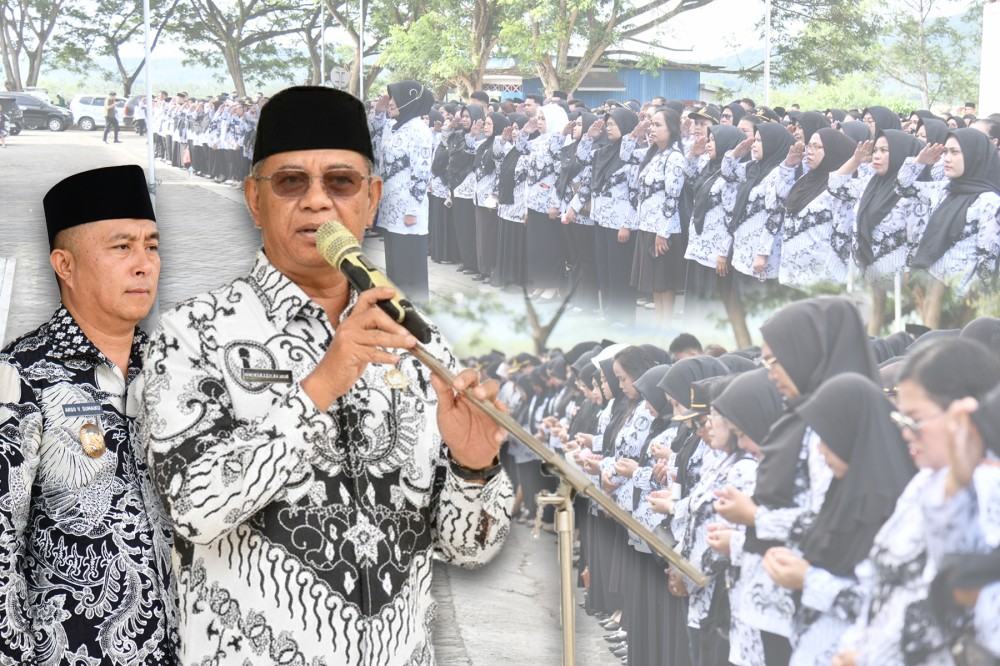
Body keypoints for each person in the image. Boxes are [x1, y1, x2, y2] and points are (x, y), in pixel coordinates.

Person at [139, 87, 514, 665]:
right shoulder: (193, 333)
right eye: (291, 182)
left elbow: (469, 548)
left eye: (341, 182)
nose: (318, 202)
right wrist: (322, 384)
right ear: (254, 199)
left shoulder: (416, 341)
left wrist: (474, 466)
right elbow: (192, 509)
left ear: (372, 199)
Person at [0, 165, 177, 663]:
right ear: (65, 264)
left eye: (152, 246)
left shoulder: (175, 371)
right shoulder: (21, 377)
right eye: (122, 247)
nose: (144, 264)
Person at [369, 81, 435, 302]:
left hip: (408, 212)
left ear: (410, 100)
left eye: (395, 98)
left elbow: (421, 173)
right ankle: (397, 311)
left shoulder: (419, 130)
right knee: (395, 270)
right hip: (390, 210)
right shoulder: (393, 126)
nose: (390, 102)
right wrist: (378, 113)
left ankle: (417, 314)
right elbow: (374, 140)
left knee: (410, 271)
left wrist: (412, 210)